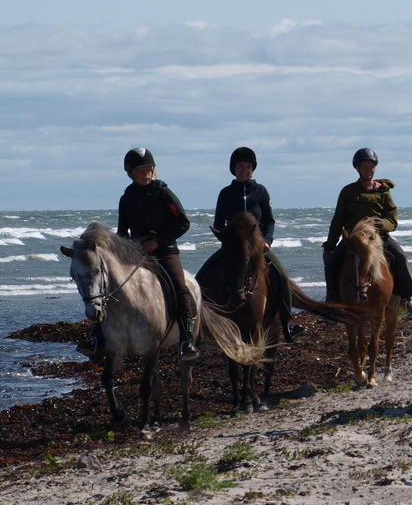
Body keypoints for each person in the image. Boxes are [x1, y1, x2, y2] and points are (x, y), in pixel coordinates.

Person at [76, 147, 198, 361]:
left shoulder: (163, 193)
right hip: (135, 253)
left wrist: (157, 241)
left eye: (149, 169)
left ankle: (187, 340)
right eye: (141, 170)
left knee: (181, 288)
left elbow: (183, 223)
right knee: (109, 289)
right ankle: (98, 338)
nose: (147, 173)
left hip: (165, 251)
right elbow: (123, 232)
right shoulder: (126, 198)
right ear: (131, 173)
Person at [198, 146, 304, 342]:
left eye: (247, 167)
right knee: (202, 275)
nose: (244, 170)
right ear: (234, 169)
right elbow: (218, 225)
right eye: (240, 166)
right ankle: (199, 324)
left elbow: (270, 221)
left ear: (252, 169)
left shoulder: (261, 192)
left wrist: (267, 241)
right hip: (232, 248)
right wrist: (227, 241)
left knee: (280, 276)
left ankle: (287, 325)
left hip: (257, 248)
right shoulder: (226, 193)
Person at [322, 148, 412, 315]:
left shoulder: (383, 191)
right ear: (357, 168)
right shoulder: (348, 191)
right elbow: (338, 219)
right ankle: (332, 300)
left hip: (378, 236)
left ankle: (408, 298)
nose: (368, 170)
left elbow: (392, 219)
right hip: (354, 239)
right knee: (331, 262)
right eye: (364, 167)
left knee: (400, 256)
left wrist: (379, 224)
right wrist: (329, 245)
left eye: (371, 166)